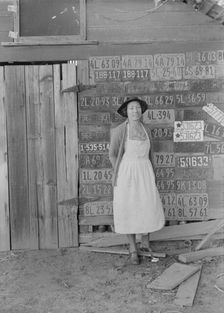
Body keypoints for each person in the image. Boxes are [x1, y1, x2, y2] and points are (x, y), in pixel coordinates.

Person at [109, 97, 165, 264]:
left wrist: (153, 174)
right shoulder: (119, 131)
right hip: (127, 173)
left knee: (147, 205)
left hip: (145, 171)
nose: (135, 111)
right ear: (126, 111)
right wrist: (119, 173)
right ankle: (133, 248)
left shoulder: (146, 129)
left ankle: (145, 242)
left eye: (138, 108)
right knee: (129, 208)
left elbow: (150, 155)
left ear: (141, 111)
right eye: (132, 108)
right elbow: (112, 154)